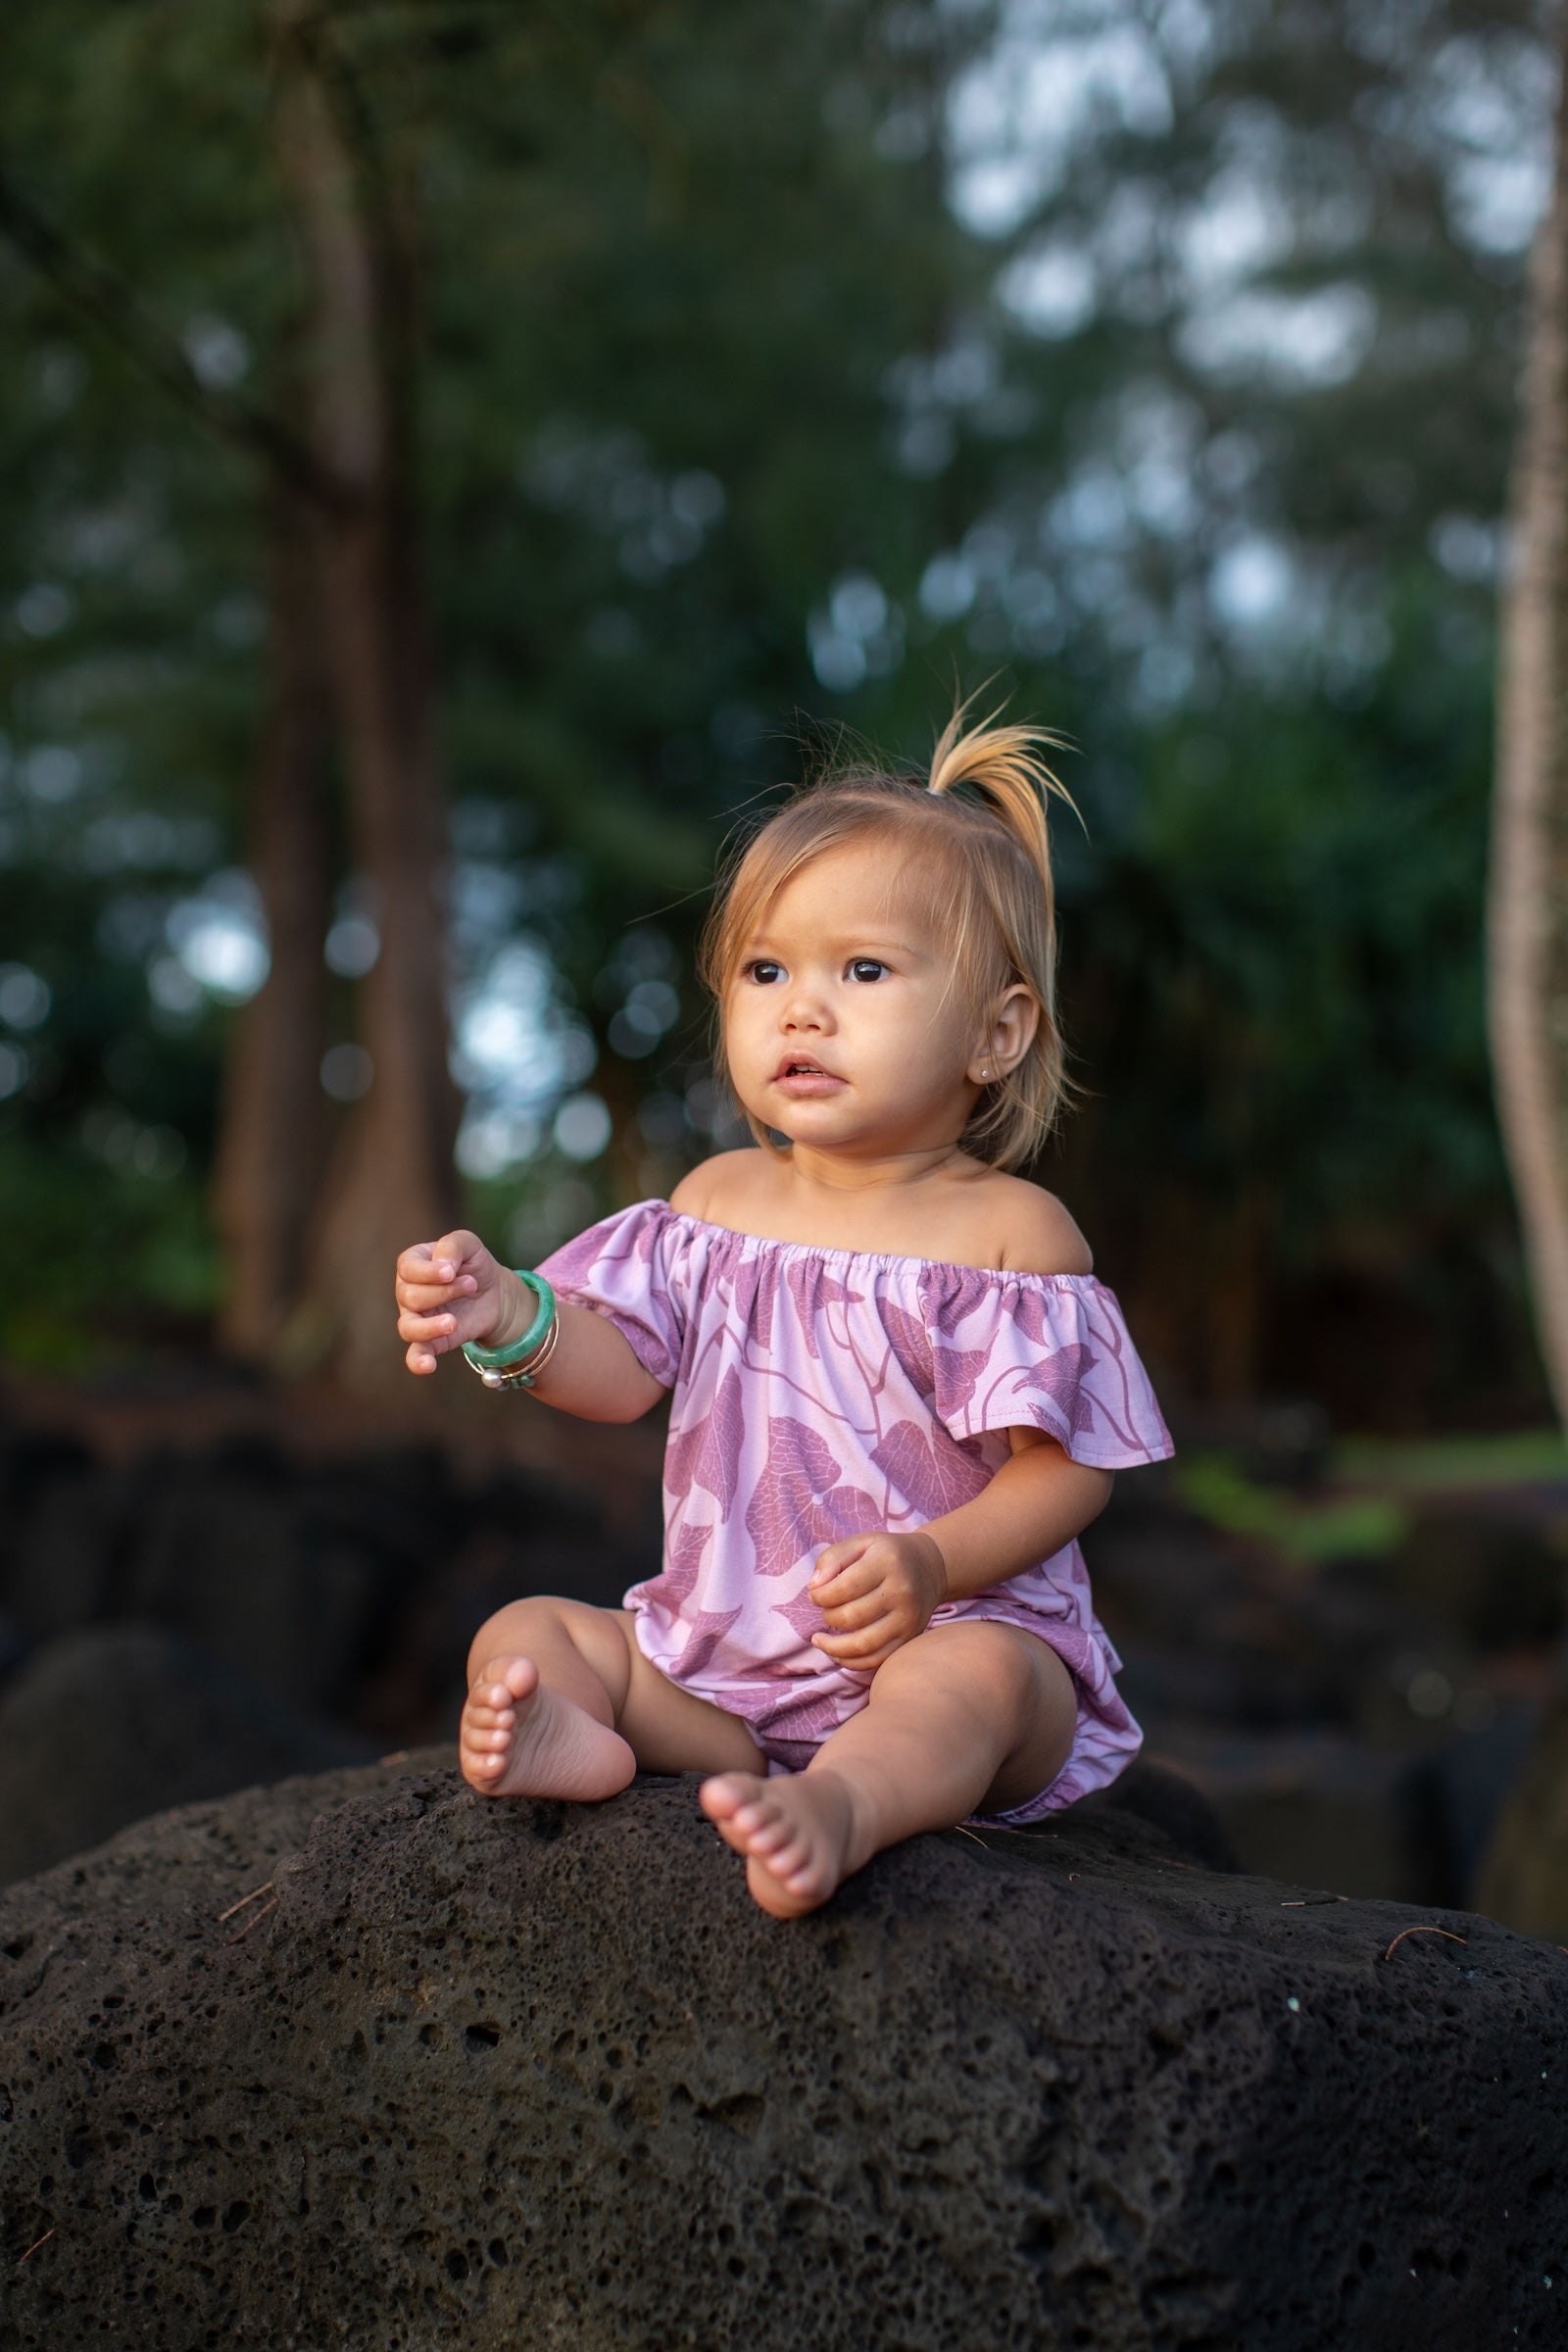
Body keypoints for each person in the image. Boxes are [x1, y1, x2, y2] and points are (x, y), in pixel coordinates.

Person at [394, 712, 1171, 1918]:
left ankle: (846, 1805)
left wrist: (930, 1562)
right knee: (531, 1625)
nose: (802, 1010)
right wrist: (507, 1311)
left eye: (862, 971)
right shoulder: (714, 1207)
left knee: (970, 1681)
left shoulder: (1011, 1238)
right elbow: (618, 1377)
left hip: (944, 1635)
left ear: (995, 1032)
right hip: (725, 1671)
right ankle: (568, 1733)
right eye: (768, 972)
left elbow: (1067, 1474)